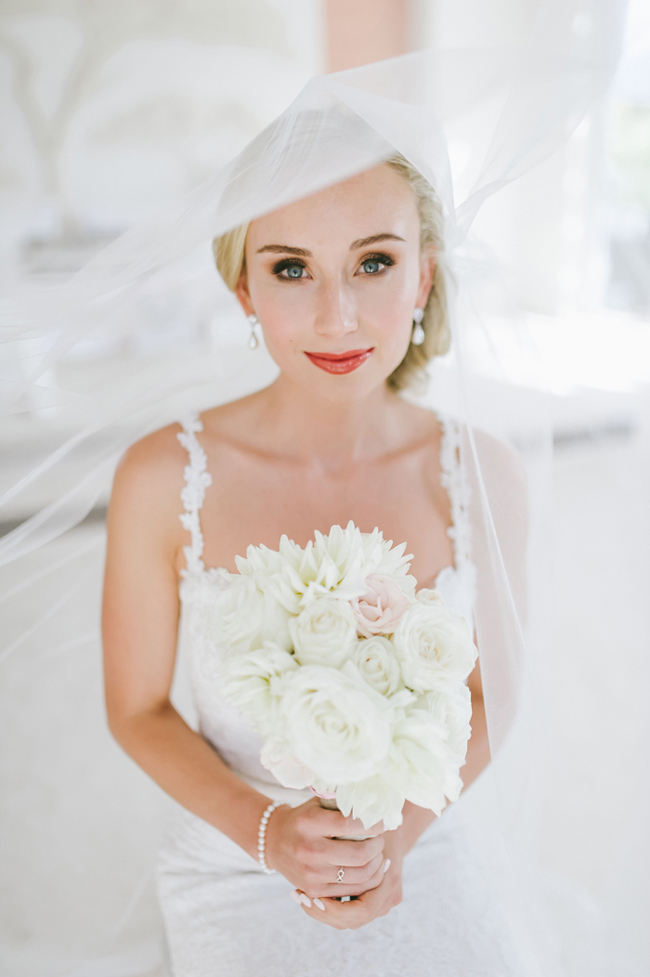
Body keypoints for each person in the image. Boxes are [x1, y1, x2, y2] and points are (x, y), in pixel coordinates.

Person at [101, 153, 510, 975]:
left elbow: (490, 693)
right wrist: (269, 831)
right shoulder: (162, 475)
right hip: (235, 859)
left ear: (424, 277)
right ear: (244, 290)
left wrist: (393, 836)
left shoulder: (483, 472)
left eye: (374, 262)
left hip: (424, 843)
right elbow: (137, 707)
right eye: (292, 269)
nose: (338, 315)